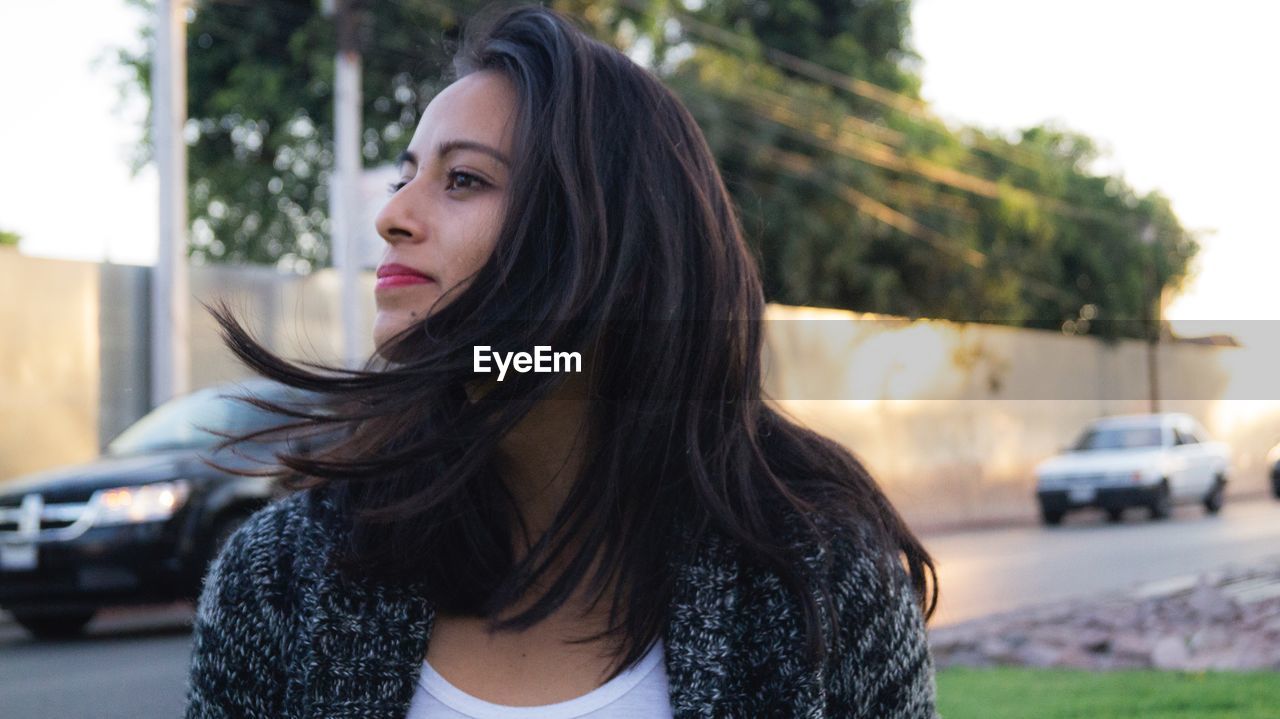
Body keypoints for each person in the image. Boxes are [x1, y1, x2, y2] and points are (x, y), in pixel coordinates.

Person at [185, 4, 938, 718]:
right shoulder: (283, 573)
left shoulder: (823, 581)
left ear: (617, 245)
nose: (393, 215)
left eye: (465, 179)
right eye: (404, 176)